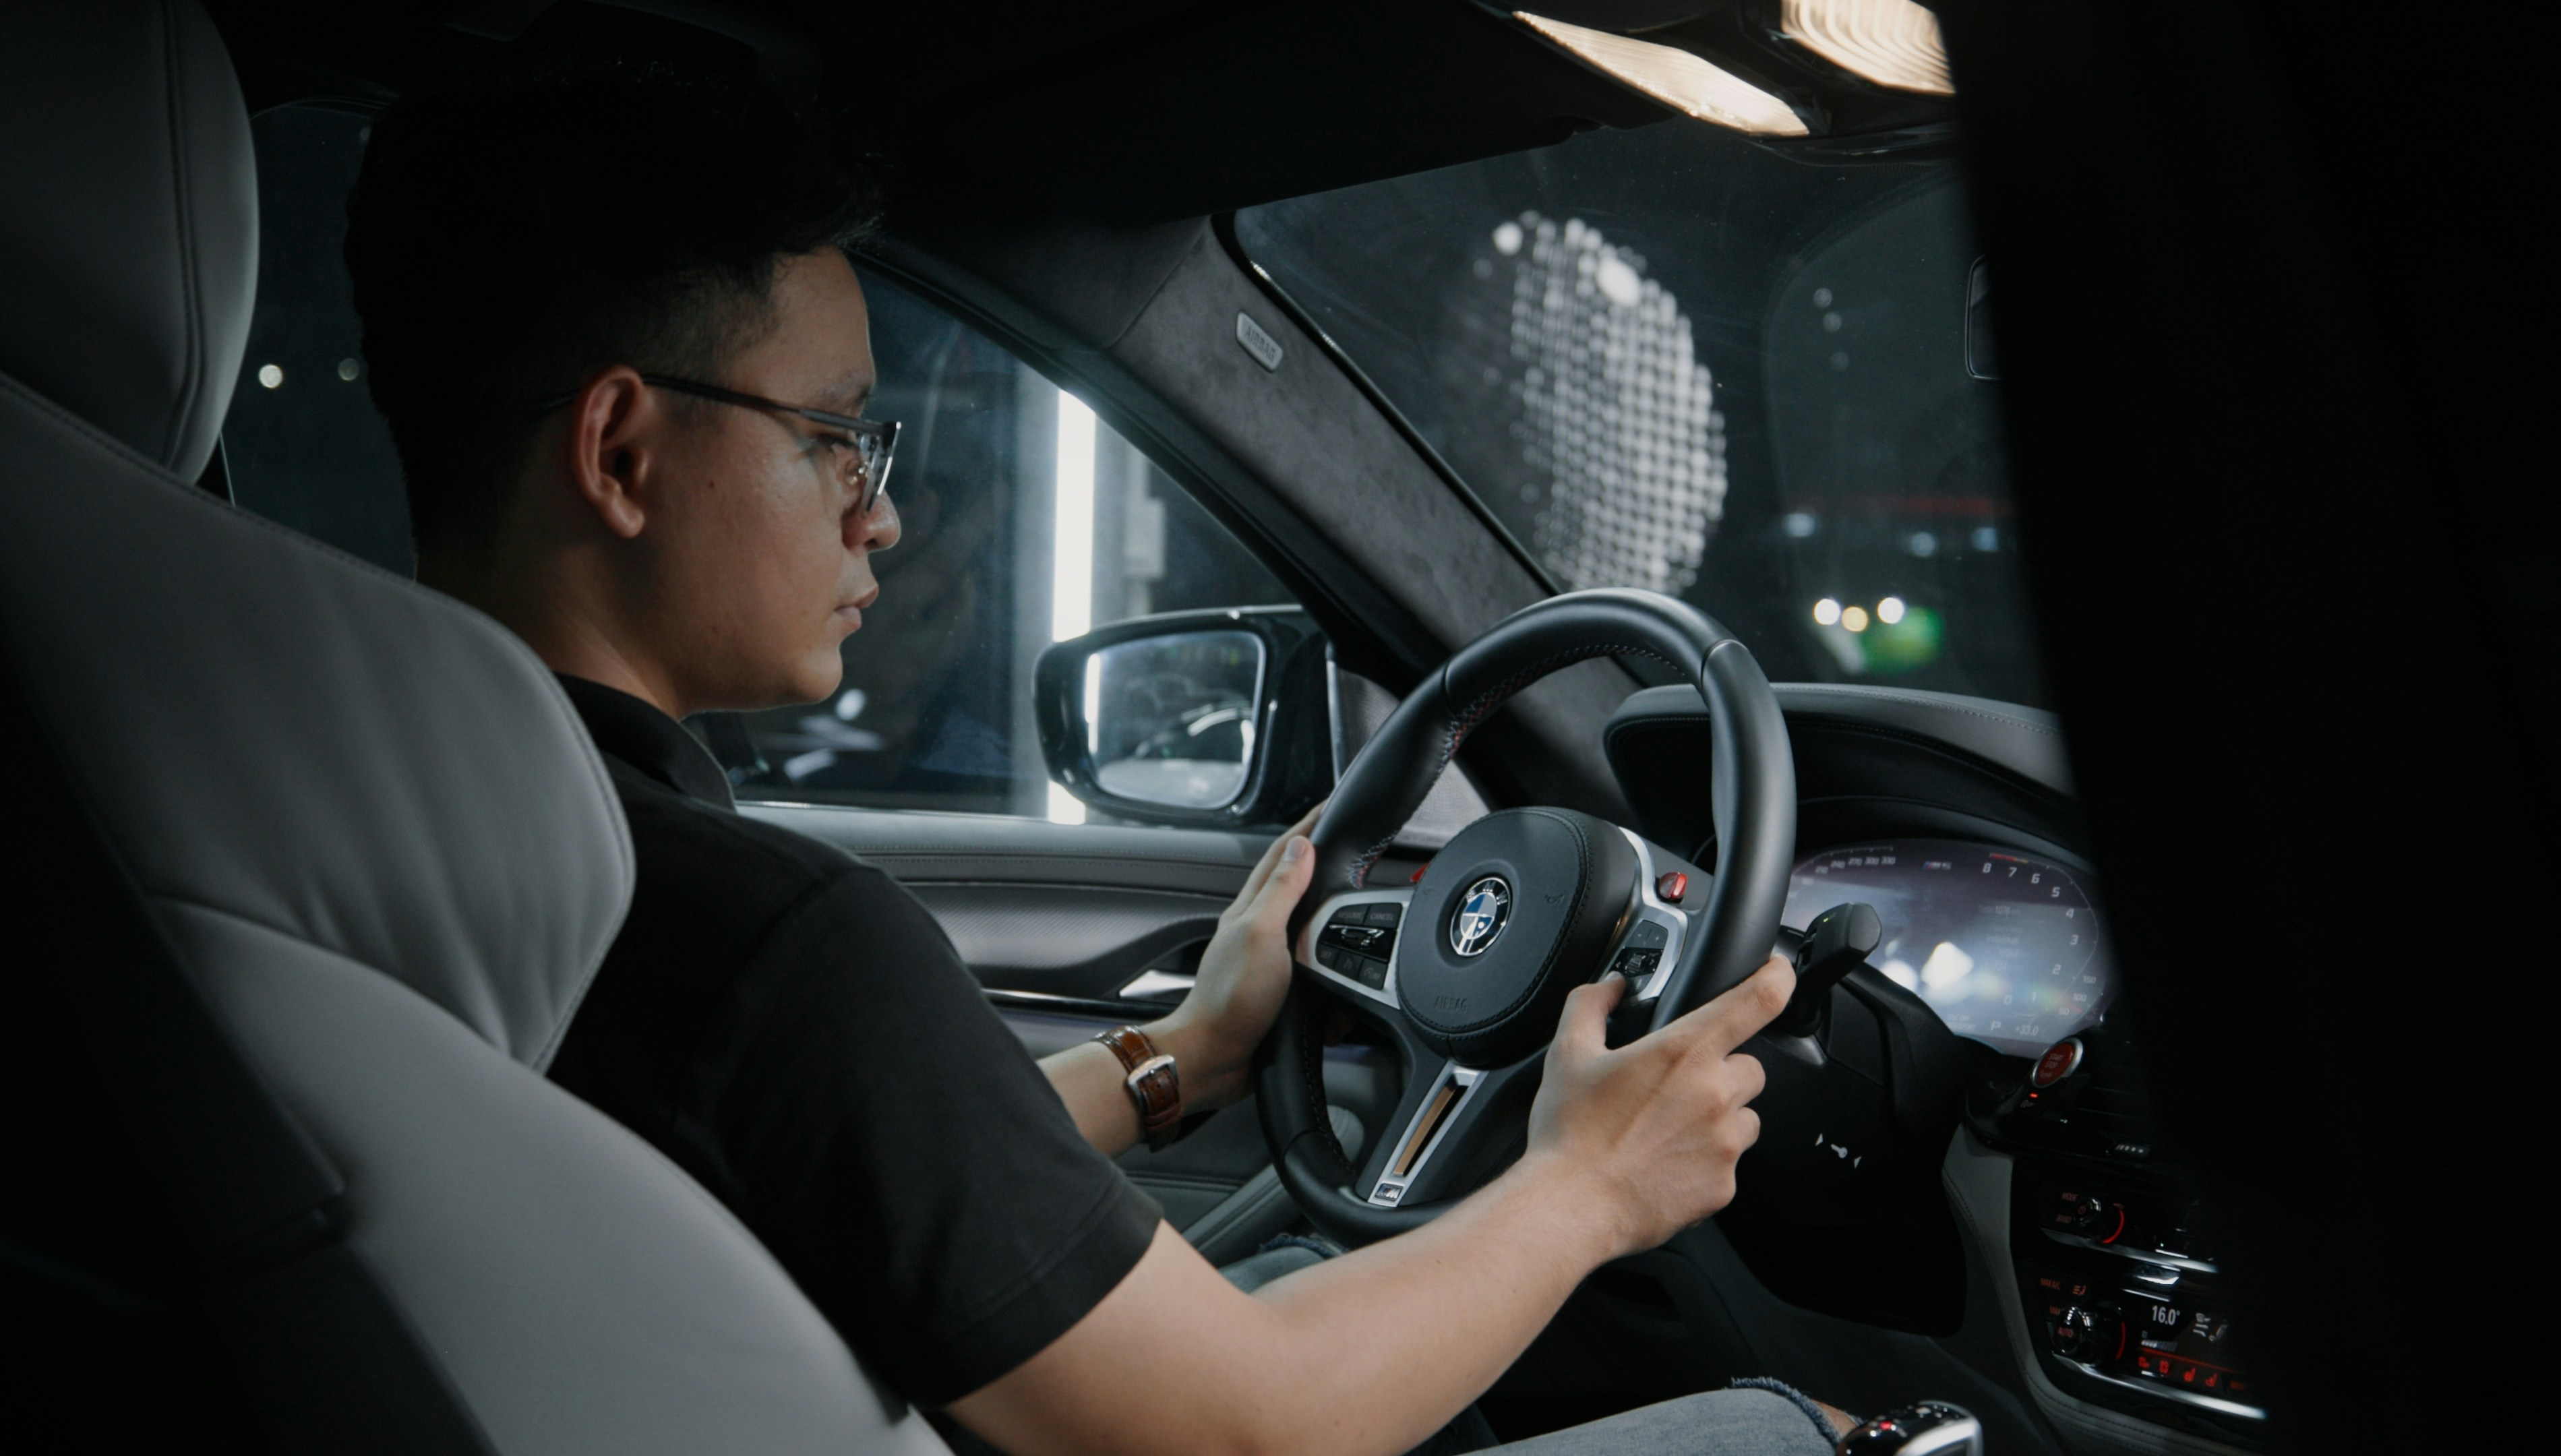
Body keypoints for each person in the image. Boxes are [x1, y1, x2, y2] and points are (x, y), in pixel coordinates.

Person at [342, 45, 1848, 1456]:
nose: (881, 513)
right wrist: (1587, 1186)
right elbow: (1249, 1427)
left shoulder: (372, 825)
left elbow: (859, 1160)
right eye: (833, 437)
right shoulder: (764, 945)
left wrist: (1182, 1056)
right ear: (620, 455)